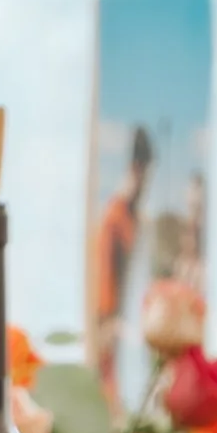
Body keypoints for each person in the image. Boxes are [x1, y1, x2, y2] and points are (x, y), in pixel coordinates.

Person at [88, 124, 153, 391]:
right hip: (111, 324)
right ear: (138, 168)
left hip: (128, 324)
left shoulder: (133, 216)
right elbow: (104, 271)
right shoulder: (116, 215)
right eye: (147, 172)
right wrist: (106, 318)